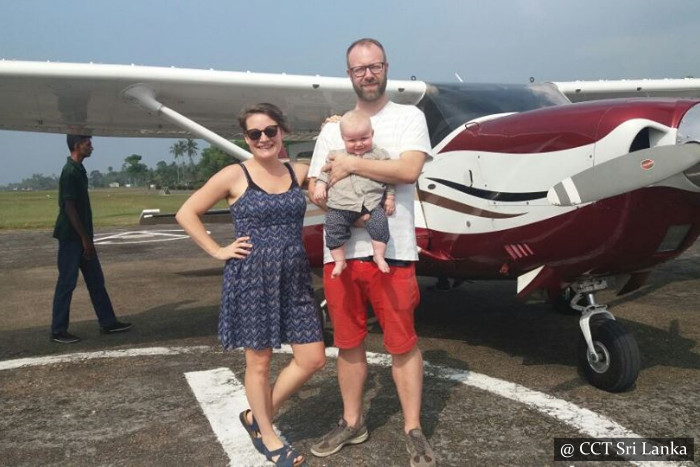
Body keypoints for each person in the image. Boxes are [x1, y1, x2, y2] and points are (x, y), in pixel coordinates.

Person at [308, 39, 436, 466]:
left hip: (394, 251)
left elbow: (408, 169)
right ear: (349, 74)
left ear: (385, 68)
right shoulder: (331, 128)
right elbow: (316, 188)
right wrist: (356, 212)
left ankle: (413, 428)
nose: (368, 74)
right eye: (359, 68)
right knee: (348, 343)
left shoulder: (408, 117)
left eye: (375, 66)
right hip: (342, 253)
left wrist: (350, 165)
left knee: (402, 344)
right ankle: (352, 421)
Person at [176, 103, 325, 467]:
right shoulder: (234, 174)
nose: (263, 139)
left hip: (294, 278)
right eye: (254, 134)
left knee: (313, 358)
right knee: (259, 361)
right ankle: (268, 436)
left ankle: (257, 415)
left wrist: (333, 128)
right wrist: (217, 249)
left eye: (270, 131)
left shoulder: (299, 171)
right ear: (246, 138)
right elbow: (186, 212)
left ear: (282, 132)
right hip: (252, 279)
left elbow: (335, 165)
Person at [50, 135, 132, 344]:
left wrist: (87, 238)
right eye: (88, 143)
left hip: (82, 237)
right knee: (67, 283)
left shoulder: (78, 169)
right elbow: (69, 208)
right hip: (72, 238)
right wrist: (85, 239)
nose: (92, 147)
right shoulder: (69, 172)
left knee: (96, 280)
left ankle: (108, 322)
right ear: (77, 146)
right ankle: (58, 331)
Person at [311, 110, 395, 277]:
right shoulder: (336, 155)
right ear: (343, 138)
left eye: (364, 138)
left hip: (370, 203)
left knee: (380, 223)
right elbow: (324, 174)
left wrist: (390, 198)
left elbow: (390, 178)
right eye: (352, 140)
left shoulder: (380, 155)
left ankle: (379, 255)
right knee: (332, 227)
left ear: (372, 134)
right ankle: (339, 261)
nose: (358, 144)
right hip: (340, 205)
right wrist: (321, 186)